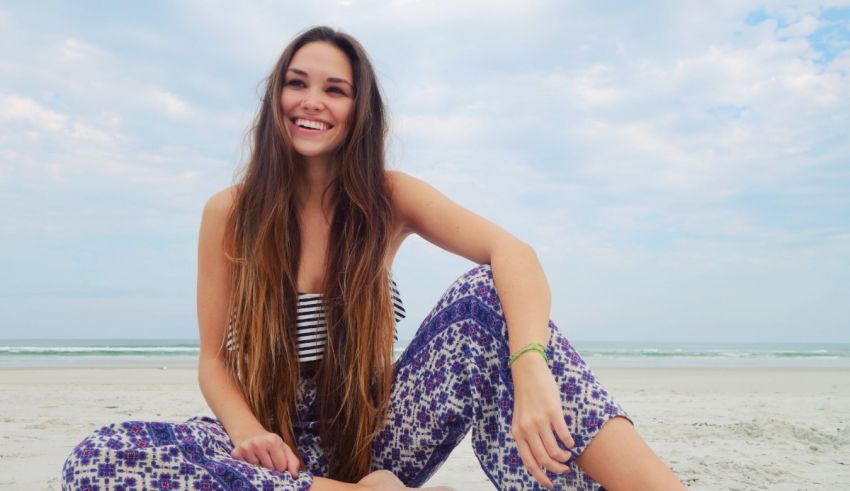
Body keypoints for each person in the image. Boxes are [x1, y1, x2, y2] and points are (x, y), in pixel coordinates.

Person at [61, 26, 686, 490]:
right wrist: (248, 433)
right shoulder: (229, 213)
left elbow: (511, 253)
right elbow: (211, 360)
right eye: (297, 83)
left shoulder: (386, 197)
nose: (313, 102)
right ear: (275, 97)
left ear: (358, 111)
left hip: (374, 432)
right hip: (271, 452)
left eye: (335, 90)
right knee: (99, 458)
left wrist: (531, 369)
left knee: (481, 303)